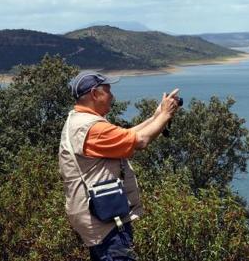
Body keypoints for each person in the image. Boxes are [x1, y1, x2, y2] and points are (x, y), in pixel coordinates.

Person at [58, 71, 180, 260]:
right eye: (108, 91)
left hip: (96, 218)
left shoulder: (79, 120)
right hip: (105, 225)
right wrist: (165, 114)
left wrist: (156, 117)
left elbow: (126, 135)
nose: (112, 96)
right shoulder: (92, 128)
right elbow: (140, 141)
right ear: (94, 94)